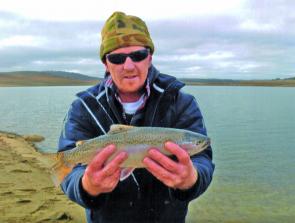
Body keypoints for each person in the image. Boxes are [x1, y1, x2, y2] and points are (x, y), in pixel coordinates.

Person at [58, 11, 215, 223]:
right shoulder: (83, 107)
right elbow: (69, 173)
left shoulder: (181, 103)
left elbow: (203, 160)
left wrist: (191, 179)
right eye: (117, 58)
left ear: (149, 57)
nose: (129, 66)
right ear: (106, 63)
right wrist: (87, 186)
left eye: (138, 55)